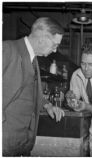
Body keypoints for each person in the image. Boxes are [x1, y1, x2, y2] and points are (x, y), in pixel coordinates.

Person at [3, 17, 65, 156]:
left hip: (21, 144)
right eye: (55, 45)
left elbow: (29, 91)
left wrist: (48, 105)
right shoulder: (7, 49)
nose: (55, 50)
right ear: (42, 38)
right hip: (5, 143)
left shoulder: (33, 58)